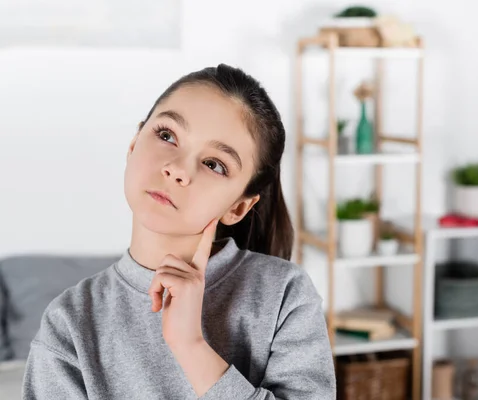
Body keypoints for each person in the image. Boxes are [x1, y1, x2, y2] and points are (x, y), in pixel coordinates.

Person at [22, 64, 336, 399]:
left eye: (214, 164)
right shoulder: (70, 322)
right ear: (133, 144)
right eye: (167, 135)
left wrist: (190, 346)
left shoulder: (285, 295)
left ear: (238, 208)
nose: (177, 170)